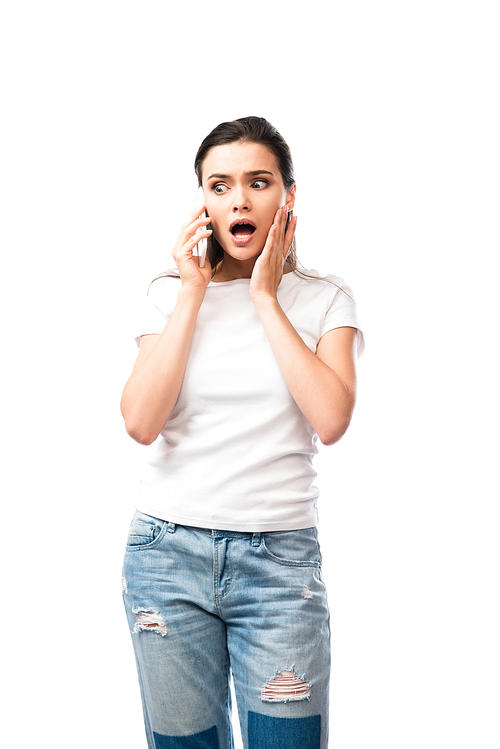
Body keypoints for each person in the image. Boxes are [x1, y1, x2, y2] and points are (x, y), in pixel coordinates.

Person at [120, 116, 364, 749]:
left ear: (288, 196)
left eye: (259, 182)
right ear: (202, 201)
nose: (240, 199)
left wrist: (265, 298)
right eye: (219, 185)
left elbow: (332, 419)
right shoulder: (168, 295)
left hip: (279, 568)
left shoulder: (324, 299)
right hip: (166, 557)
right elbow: (141, 422)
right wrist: (194, 294)